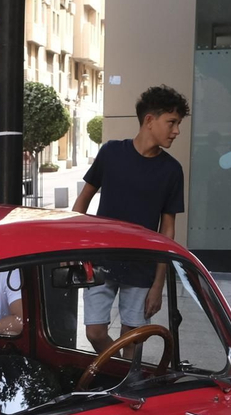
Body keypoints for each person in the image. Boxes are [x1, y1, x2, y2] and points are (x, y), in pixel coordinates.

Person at [71, 84, 189, 357]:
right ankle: (116, 371)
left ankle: (125, 385)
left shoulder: (172, 170)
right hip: (101, 260)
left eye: (178, 123)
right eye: (172, 122)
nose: (176, 131)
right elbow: (83, 201)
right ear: (150, 120)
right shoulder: (111, 152)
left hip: (142, 266)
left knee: (133, 340)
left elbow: (167, 231)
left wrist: (159, 283)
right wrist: (77, 249)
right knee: (94, 331)